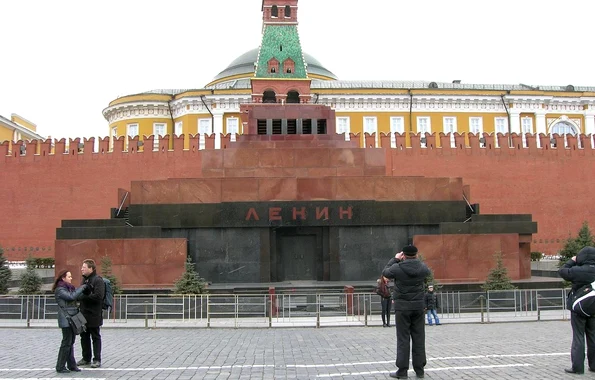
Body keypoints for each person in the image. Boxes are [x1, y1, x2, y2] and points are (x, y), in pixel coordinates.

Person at [382, 245, 430, 379]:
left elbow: (385, 272)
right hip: (418, 307)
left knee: (403, 339)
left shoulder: (397, 268)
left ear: (403, 255)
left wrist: (395, 259)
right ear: (416, 254)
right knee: (419, 337)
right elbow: (427, 274)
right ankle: (419, 370)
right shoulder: (422, 267)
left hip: (402, 308)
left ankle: (402, 371)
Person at [558, 246, 595, 375]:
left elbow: (562, 271)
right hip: (594, 308)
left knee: (578, 337)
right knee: (593, 336)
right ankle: (594, 365)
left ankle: (578, 368)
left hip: (578, 308)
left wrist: (572, 260)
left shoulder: (577, 270)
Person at [53, 269, 87, 373]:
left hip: (71, 318)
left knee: (70, 342)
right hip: (66, 319)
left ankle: (71, 365)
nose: (71, 278)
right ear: (63, 278)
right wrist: (82, 288)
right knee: (66, 343)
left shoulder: (69, 288)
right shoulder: (60, 289)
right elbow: (71, 297)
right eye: (69, 276)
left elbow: (76, 296)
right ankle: (60, 366)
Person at [77, 259, 105, 369]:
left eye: (84, 267)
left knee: (95, 336)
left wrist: (84, 297)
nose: (82, 269)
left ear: (91, 268)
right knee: (83, 336)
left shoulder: (98, 280)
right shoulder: (84, 280)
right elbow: (79, 294)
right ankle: (86, 358)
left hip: (94, 314)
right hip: (83, 313)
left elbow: (99, 296)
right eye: (82, 267)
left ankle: (97, 359)